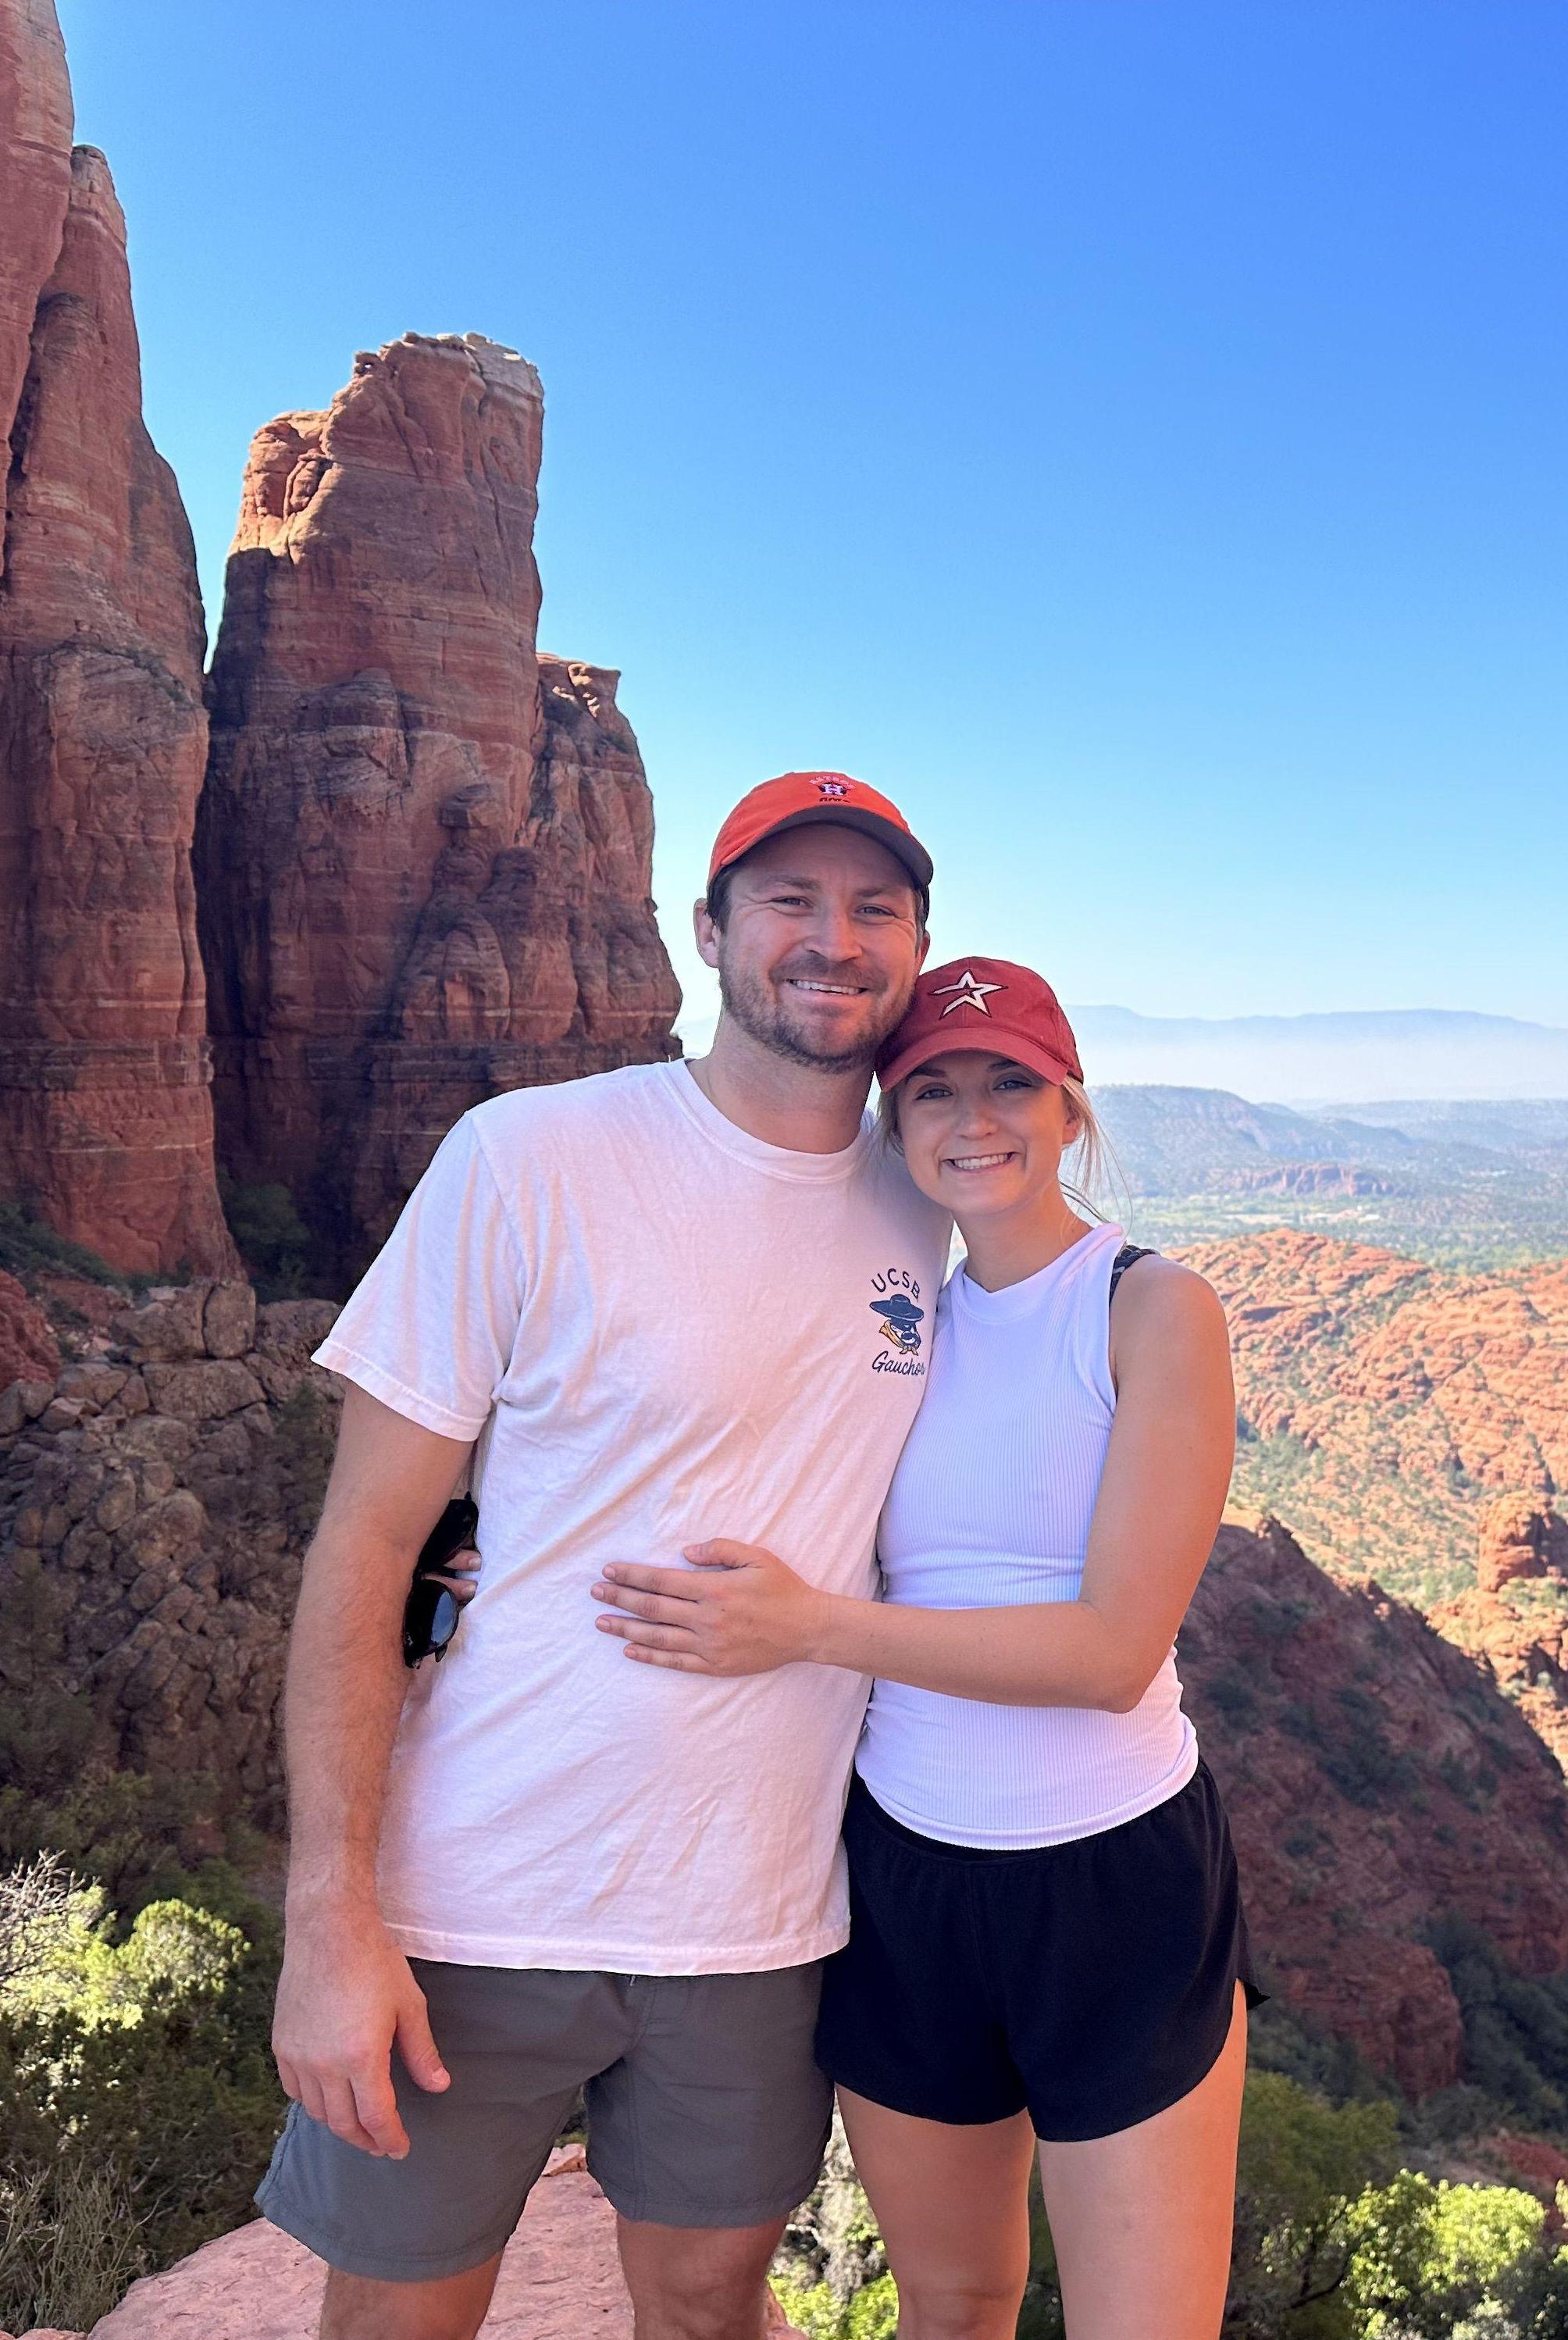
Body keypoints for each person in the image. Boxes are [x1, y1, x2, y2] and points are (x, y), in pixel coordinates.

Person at [262, 773, 948, 2340]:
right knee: (398, 2320)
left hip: (757, 1921)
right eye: (788, 901)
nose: (830, 940)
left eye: (873, 908)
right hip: (471, 1900)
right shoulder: (529, 1158)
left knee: (710, 2309)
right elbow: (365, 1548)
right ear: (709, 932)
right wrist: (329, 1920)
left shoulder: (930, 1209)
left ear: (911, 945)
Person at [590, 957, 1253, 2340]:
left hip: (1112, 1879)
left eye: (1008, 1079)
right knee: (953, 2306)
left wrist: (808, 1631)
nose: (973, 1116)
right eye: (932, 1088)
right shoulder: (896, 1332)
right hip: (903, 1881)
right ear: (894, 1125)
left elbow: (1111, 1652)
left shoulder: (1149, 1307)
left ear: (1069, 1105)